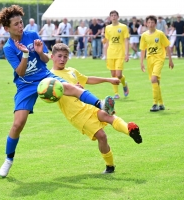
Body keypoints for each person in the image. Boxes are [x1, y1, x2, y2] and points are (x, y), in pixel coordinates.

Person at [0, 5, 115, 178]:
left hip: (44, 76)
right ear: (7, 28)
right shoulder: (8, 47)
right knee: (18, 124)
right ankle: (9, 159)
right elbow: (20, 72)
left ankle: (101, 104)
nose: (20, 26)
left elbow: (45, 59)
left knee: (70, 88)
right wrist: (24, 54)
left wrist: (39, 52)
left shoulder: (32, 35)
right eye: (16, 24)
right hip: (25, 85)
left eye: (21, 22)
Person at [50, 43, 142, 173]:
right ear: (52, 57)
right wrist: (74, 90)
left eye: (65, 56)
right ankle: (110, 166)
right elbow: (53, 95)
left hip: (87, 105)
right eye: (59, 56)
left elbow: (87, 79)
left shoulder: (71, 71)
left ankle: (131, 131)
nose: (62, 59)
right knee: (102, 136)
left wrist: (108, 80)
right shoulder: (50, 77)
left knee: (108, 116)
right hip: (76, 114)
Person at [139, 15, 174, 112]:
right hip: (149, 59)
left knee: (153, 79)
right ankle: (161, 103)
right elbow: (143, 49)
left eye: (152, 22)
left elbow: (167, 46)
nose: (150, 24)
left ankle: (155, 104)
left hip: (159, 58)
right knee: (156, 81)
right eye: (148, 22)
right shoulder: (144, 35)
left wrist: (170, 60)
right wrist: (141, 62)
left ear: (155, 23)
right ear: (146, 23)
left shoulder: (160, 34)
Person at [104, 10, 130, 99]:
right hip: (110, 53)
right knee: (113, 75)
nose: (113, 17)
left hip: (120, 53)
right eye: (112, 15)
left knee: (118, 75)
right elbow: (107, 41)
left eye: (115, 15)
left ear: (118, 17)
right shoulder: (107, 28)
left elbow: (126, 40)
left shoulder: (123, 27)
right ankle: (116, 94)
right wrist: (105, 54)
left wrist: (127, 53)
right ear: (110, 17)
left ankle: (124, 83)